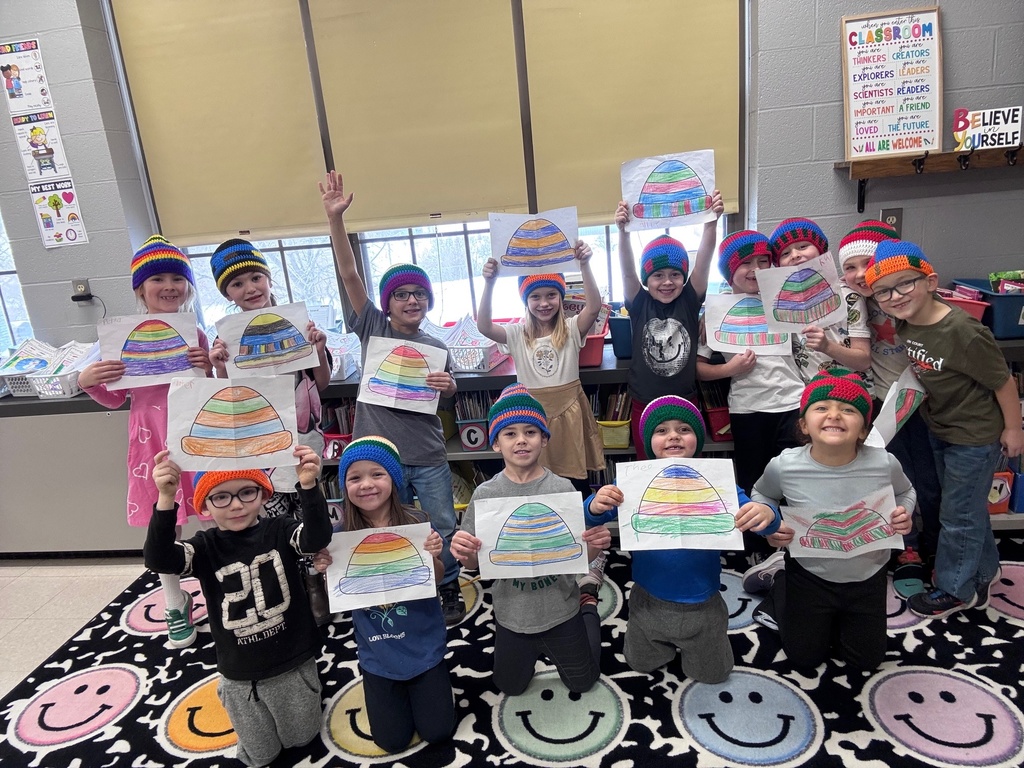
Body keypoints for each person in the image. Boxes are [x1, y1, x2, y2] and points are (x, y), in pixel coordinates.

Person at [320, 170, 465, 625]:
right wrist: (335, 221)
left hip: (427, 454)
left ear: (429, 301)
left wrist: (452, 387)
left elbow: (447, 396)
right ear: (387, 302)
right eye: (401, 294)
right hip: (378, 455)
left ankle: (446, 587)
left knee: (440, 524)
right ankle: (380, 581)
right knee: (374, 522)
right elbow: (348, 272)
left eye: (419, 294)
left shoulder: (438, 348)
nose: (411, 300)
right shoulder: (373, 328)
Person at [864, 240, 1024, 618]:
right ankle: (984, 571)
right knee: (967, 509)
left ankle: (956, 590)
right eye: (884, 290)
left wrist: (1014, 429)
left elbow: (1002, 381)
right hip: (942, 427)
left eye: (905, 284)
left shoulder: (963, 331)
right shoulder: (905, 324)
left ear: (930, 280)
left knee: (958, 514)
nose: (895, 295)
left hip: (975, 436)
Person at [145, 445, 330, 767]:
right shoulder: (204, 547)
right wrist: (165, 500)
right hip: (241, 672)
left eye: (247, 492)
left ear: (263, 494)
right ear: (204, 504)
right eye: (222, 497)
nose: (236, 505)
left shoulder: (281, 529)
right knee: (260, 754)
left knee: (302, 738)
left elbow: (316, 537)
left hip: (293, 658)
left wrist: (309, 486)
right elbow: (160, 558)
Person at [584, 396, 779, 681]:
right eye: (661, 430)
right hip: (648, 598)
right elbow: (590, 517)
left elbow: (758, 523)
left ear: (697, 439)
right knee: (639, 662)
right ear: (648, 440)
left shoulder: (720, 484)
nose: (673, 435)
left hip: (704, 602)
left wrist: (767, 514)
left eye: (684, 429)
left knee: (714, 674)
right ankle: (657, 646)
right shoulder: (632, 483)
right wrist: (594, 503)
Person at [79, 235, 212, 649]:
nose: (169, 285)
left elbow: (216, 389)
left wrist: (209, 367)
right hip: (150, 440)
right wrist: (88, 382)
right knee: (164, 518)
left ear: (189, 286)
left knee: (211, 509)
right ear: (140, 289)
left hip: (197, 432)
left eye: (178, 277)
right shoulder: (119, 339)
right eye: (158, 279)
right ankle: (175, 602)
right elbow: (115, 396)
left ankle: (216, 589)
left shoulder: (198, 334)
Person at [741, 369, 915, 671]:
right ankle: (779, 580)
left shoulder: (884, 463)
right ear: (803, 425)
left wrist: (904, 513)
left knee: (866, 662)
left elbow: (907, 492)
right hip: (808, 574)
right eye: (822, 408)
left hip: (868, 577)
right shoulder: (784, 465)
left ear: (863, 430)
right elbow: (761, 494)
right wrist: (769, 521)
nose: (834, 415)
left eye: (848, 410)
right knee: (803, 658)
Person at [450, 384, 612, 694]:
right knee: (509, 686)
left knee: (583, 682)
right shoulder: (485, 495)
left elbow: (578, 555)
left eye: (530, 432)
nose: (521, 440)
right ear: (496, 443)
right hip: (512, 615)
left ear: (544, 439)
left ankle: (588, 604)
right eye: (509, 433)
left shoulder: (563, 489)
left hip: (562, 609)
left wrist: (595, 544)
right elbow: (475, 563)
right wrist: (464, 551)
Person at [208, 237, 333, 624]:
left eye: (255, 277)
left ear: (268, 276)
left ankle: (317, 583)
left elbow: (323, 384)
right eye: (237, 284)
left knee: (311, 515)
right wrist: (218, 364)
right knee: (274, 523)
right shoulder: (228, 335)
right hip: (259, 444)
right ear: (227, 292)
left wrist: (319, 346)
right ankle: (289, 585)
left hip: (303, 440)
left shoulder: (297, 323)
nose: (250, 289)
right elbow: (228, 393)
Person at [312, 437, 455, 753]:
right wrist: (324, 572)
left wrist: (434, 558)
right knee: (391, 740)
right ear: (344, 485)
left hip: (423, 643)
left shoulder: (417, 522)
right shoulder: (340, 537)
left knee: (439, 731)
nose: (366, 485)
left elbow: (438, 580)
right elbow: (335, 599)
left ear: (394, 479)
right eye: (355, 477)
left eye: (377, 474)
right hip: (378, 653)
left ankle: (428, 682)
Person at [838, 221, 938, 596]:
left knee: (929, 480)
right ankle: (906, 547)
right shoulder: (854, 304)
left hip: (928, 402)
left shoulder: (910, 300)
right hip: (884, 404)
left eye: (869, 263)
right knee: (892, 478)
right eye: (850, 267)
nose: (861, 274)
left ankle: (935, 549)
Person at [476, 246, 605, 489]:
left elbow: (594, 307)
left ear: (561, 297)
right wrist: (489, 282)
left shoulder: (570, 329)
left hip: (569, 412)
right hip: (532, 418)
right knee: (536, 478)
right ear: (525, 299)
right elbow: (484, 326)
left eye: (551, 295)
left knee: (573, 481)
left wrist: (585, 265)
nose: (544, 303)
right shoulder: (517, 333)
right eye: (535, 296)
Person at [614, 190, 724, 459]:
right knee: (648, 465)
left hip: (685, 401)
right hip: (643, 402)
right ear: (646, 280)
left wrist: (711, 222)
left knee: (688, 465)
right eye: (658, 275)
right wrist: (623, 232)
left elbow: (704, 261)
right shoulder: (639, 303)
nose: (667, 282)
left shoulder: (688, 300)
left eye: (675, 274)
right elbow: (627, 270)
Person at [697, 231, 804, 496]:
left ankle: (792, 537)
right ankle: (755, 538)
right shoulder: (715, 313)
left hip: (792, 403)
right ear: (729, 270)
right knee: (753, 484)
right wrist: (729, 370)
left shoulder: (784, 300)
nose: (756, 269)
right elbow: (698, 369)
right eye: (746, 262)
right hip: (748, 409)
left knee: (795, 483)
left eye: (763, 261)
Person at [769, 217, 871, 382]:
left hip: (853, 393)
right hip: (811, 398)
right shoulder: (780, 304)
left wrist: (827, 346)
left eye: (803, 246)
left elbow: (863, 360)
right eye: (785, 253)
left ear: (820, 250)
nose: (795, 255)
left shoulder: (849, 296)